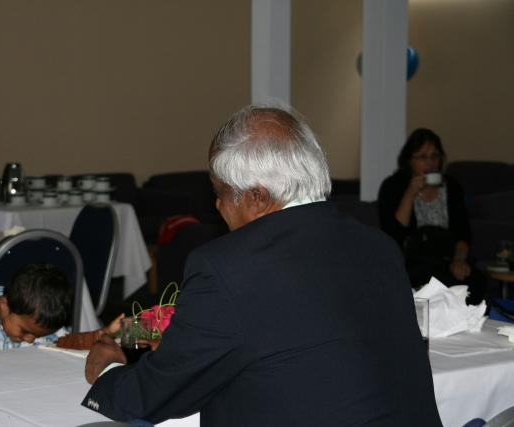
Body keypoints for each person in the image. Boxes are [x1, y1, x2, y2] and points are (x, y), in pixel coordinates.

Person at [82, 103, 442, 426]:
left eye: (220, 193)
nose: (217, 207)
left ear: (257, 197)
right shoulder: (380, 247)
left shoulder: (228, 267)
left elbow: (153, 395)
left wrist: (110, 366)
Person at [377, 128, 486, 305]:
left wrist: (459, 260)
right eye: (422, 157)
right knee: (433, 280)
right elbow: (393, 233)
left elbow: (463, 232)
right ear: (409, 159)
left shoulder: (451, 186)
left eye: (435, 156)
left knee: (474, 280)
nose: (430, 162)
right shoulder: (393, 186)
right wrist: (410, 193)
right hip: (413, 259)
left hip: (447, 256)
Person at [0, 262, 121, 356]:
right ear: (5, 305)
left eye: (36, 335)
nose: (31, 339)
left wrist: (105, 332)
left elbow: (72, 343)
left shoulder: (40, 321)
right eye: (25, 331)